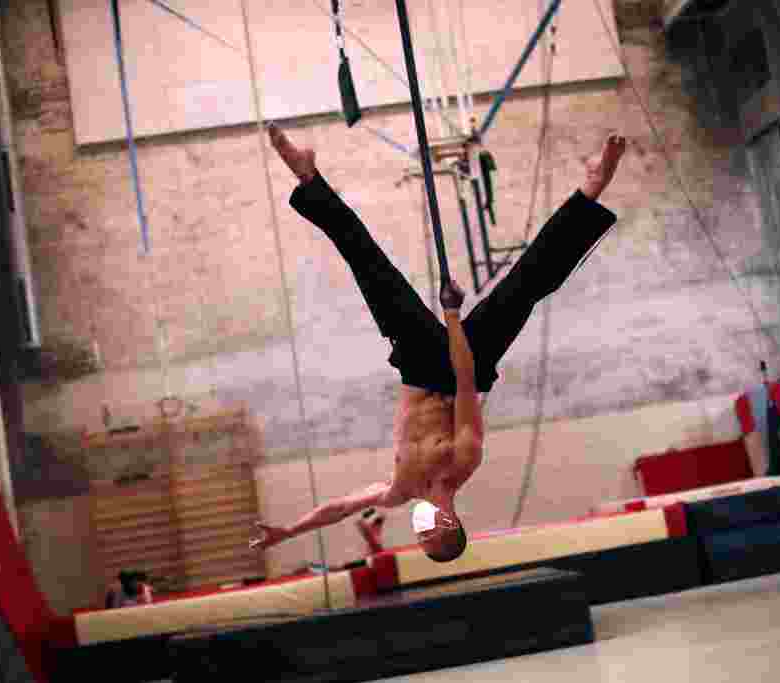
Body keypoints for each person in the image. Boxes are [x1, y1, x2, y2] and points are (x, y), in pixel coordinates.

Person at [250, 125, 626, 563]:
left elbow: (341, 507)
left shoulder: (400, 490)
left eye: (419, 538)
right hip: (467, 363)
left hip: (417, 363)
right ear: (449, 525)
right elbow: (466, 383)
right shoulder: (462, 460)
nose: (418, 530)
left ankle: (309, 177)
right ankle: (594, 184)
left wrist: (288, 531)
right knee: (526, 284)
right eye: (428, 535)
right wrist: (451, 314)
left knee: (369, 266)